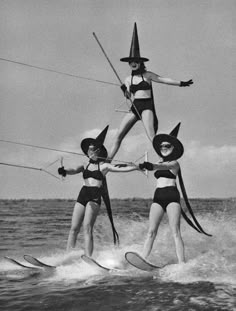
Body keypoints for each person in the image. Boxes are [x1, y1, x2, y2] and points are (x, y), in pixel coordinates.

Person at [108, 22, 193, 160]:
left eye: (135, 61)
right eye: (131, 62)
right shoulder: (128, 79)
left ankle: (165, 158)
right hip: (135, 107)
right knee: (119, 135)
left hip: (147, 107)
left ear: (140, 62)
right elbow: (129, 97)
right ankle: (107, 160)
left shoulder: (148, 75)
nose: (133, 63)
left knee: (152, 137)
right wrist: (124, 90)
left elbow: (163, 79)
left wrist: (181, 83)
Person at [58, 125, 140, 257]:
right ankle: (67, 256)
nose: (91, 152)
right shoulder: (85, 165)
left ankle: (88, 257)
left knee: (87, 228)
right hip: (83, 194)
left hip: (95, 196)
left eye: (94, 149)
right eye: (89, 150)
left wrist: (136, 167)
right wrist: (64, 171)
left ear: (99, 151)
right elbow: (72, 170)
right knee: (73, 228)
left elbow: (120, 169)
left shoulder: (104, 166)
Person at [139, 123, 211, 264]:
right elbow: (154, 165)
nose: (163, 148)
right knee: (151, 231)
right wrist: (136, 166)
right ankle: (143, 260)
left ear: (173, 148)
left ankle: (181, 264)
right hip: (157, 197)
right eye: (161, 147)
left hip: (172, 197)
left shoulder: (174, 163)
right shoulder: (159, 161)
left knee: (175, 233)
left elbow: (160, 166)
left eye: (167, 146)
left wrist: (151, 166)